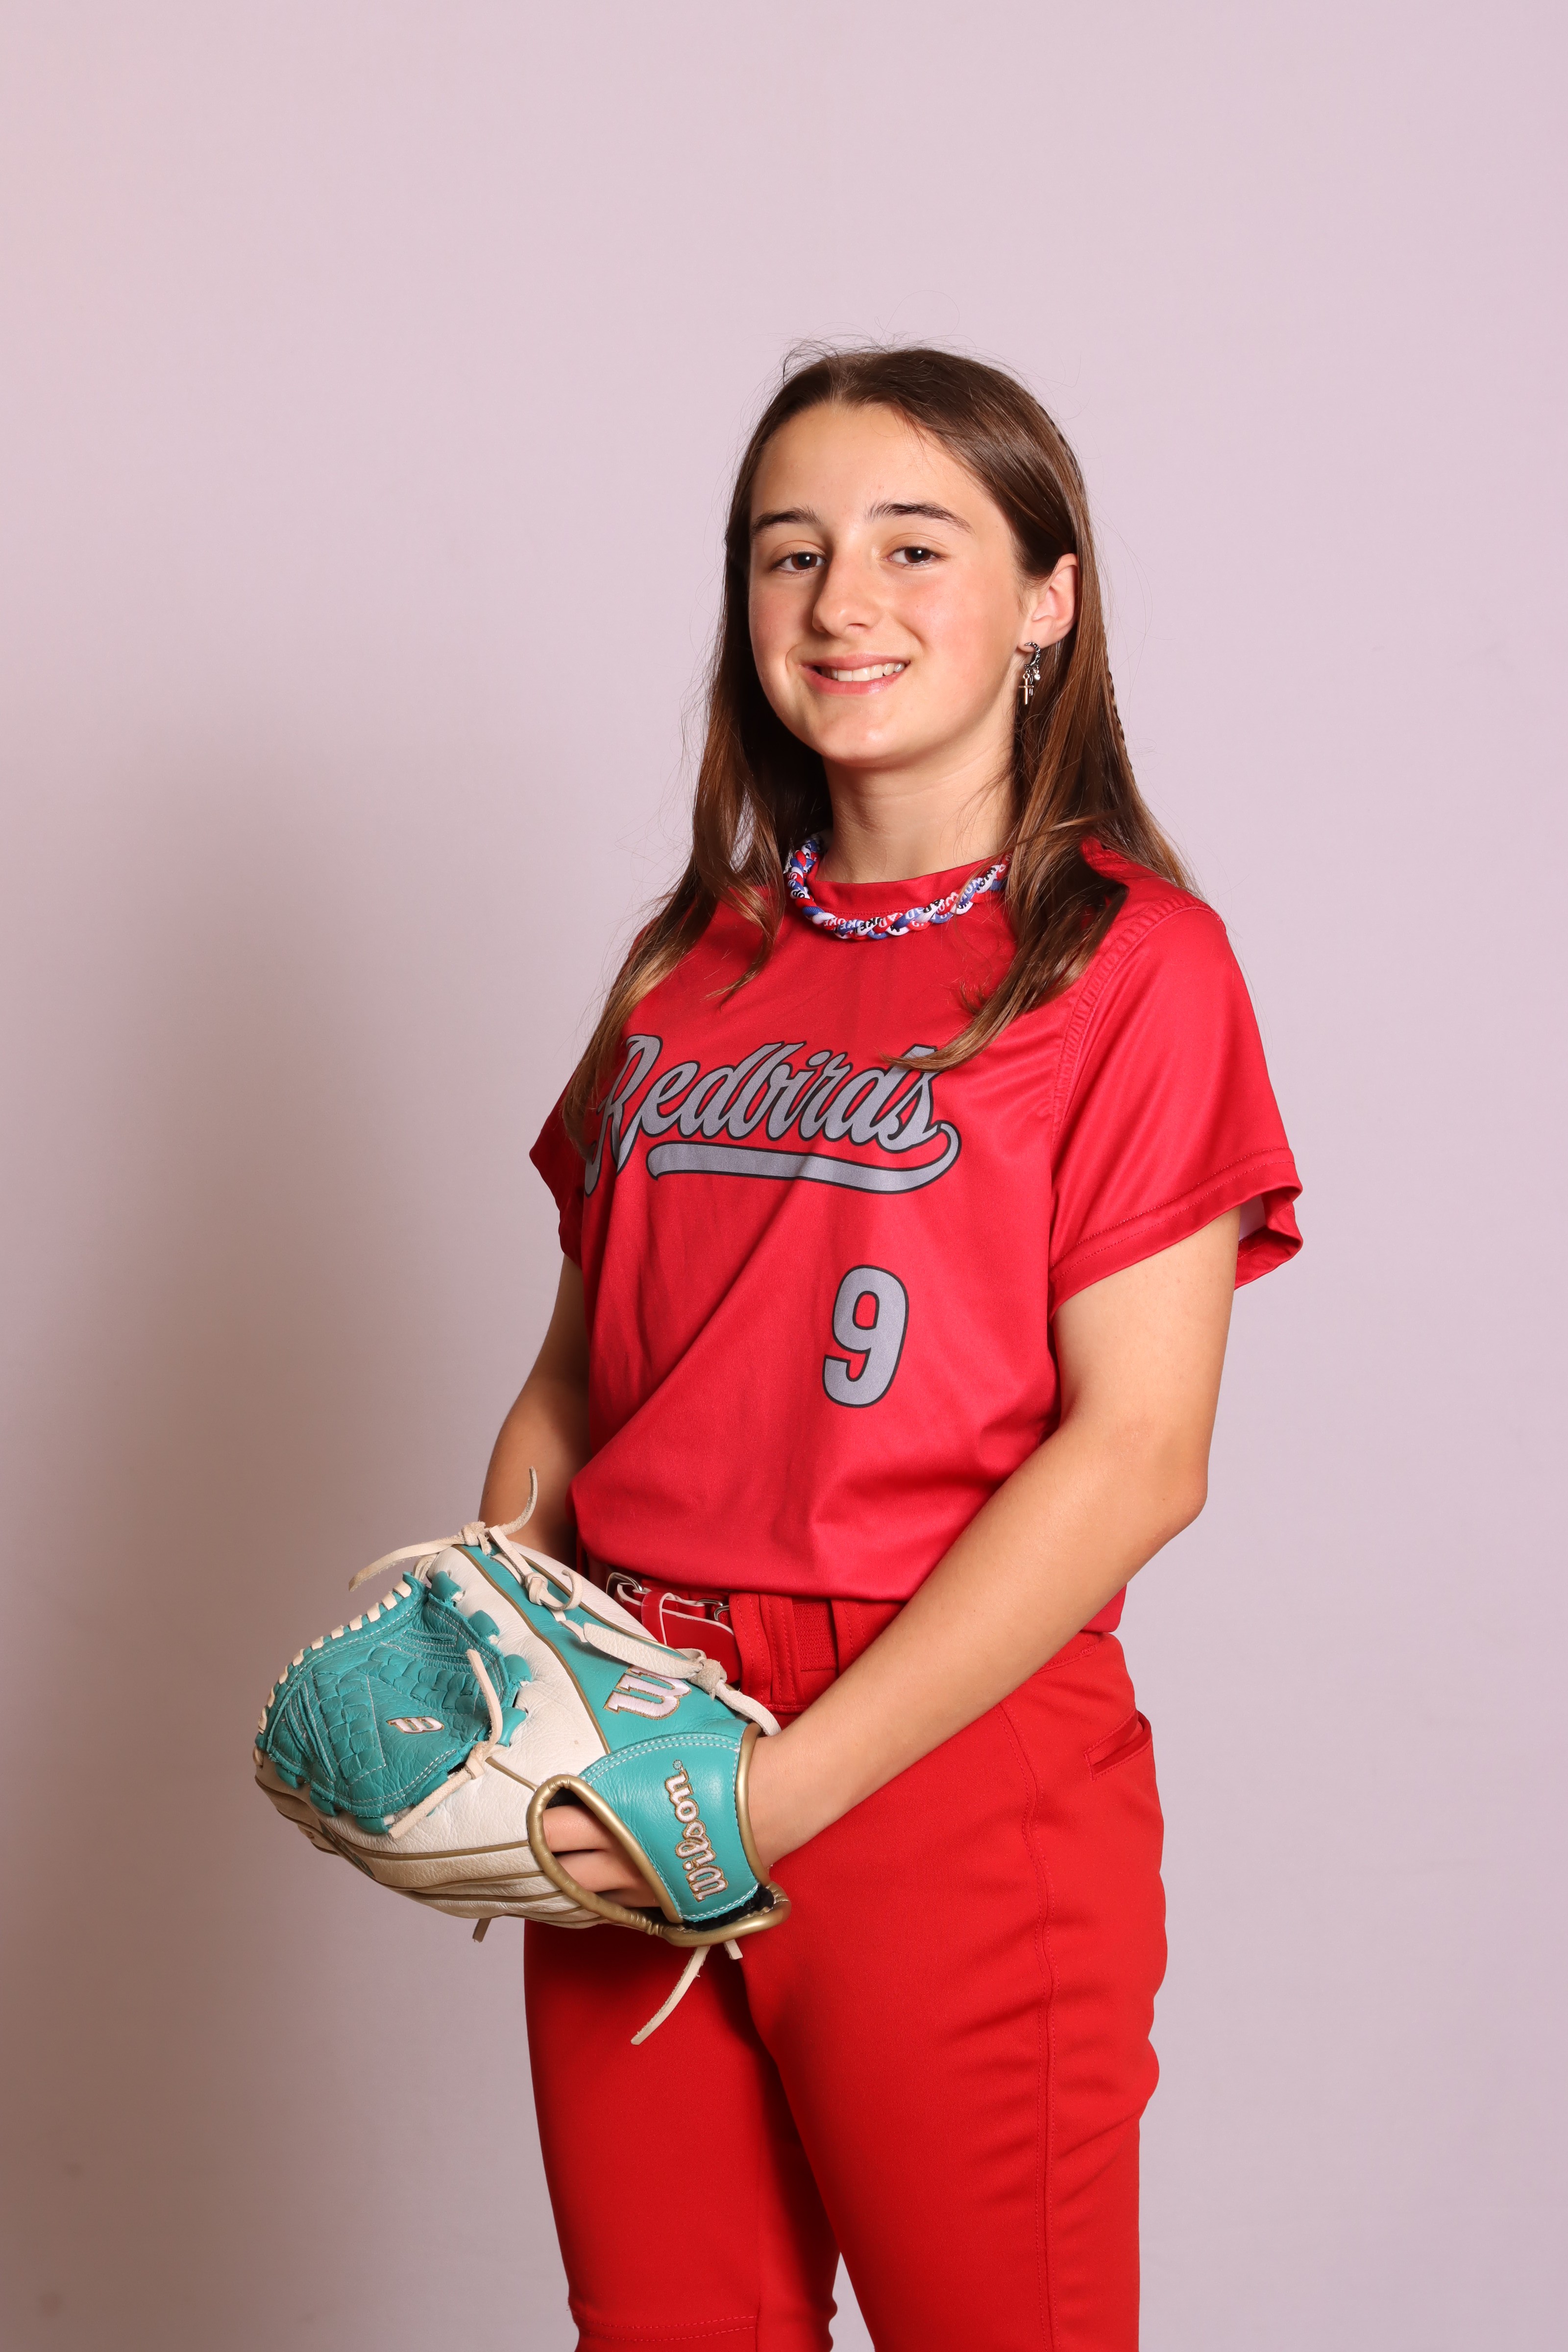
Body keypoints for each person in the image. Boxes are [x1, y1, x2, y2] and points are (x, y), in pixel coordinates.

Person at [480, 346, 1300, 2352]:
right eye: (791, 553)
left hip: (940, 1745)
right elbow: (579, 1384)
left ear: (1046, 600)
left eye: (913, 546)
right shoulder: (685, 966)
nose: (842, 602)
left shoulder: (1132, 966)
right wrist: (501, 1664)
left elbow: (1138, 1455)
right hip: (637, 1714)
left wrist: (763, 1804)